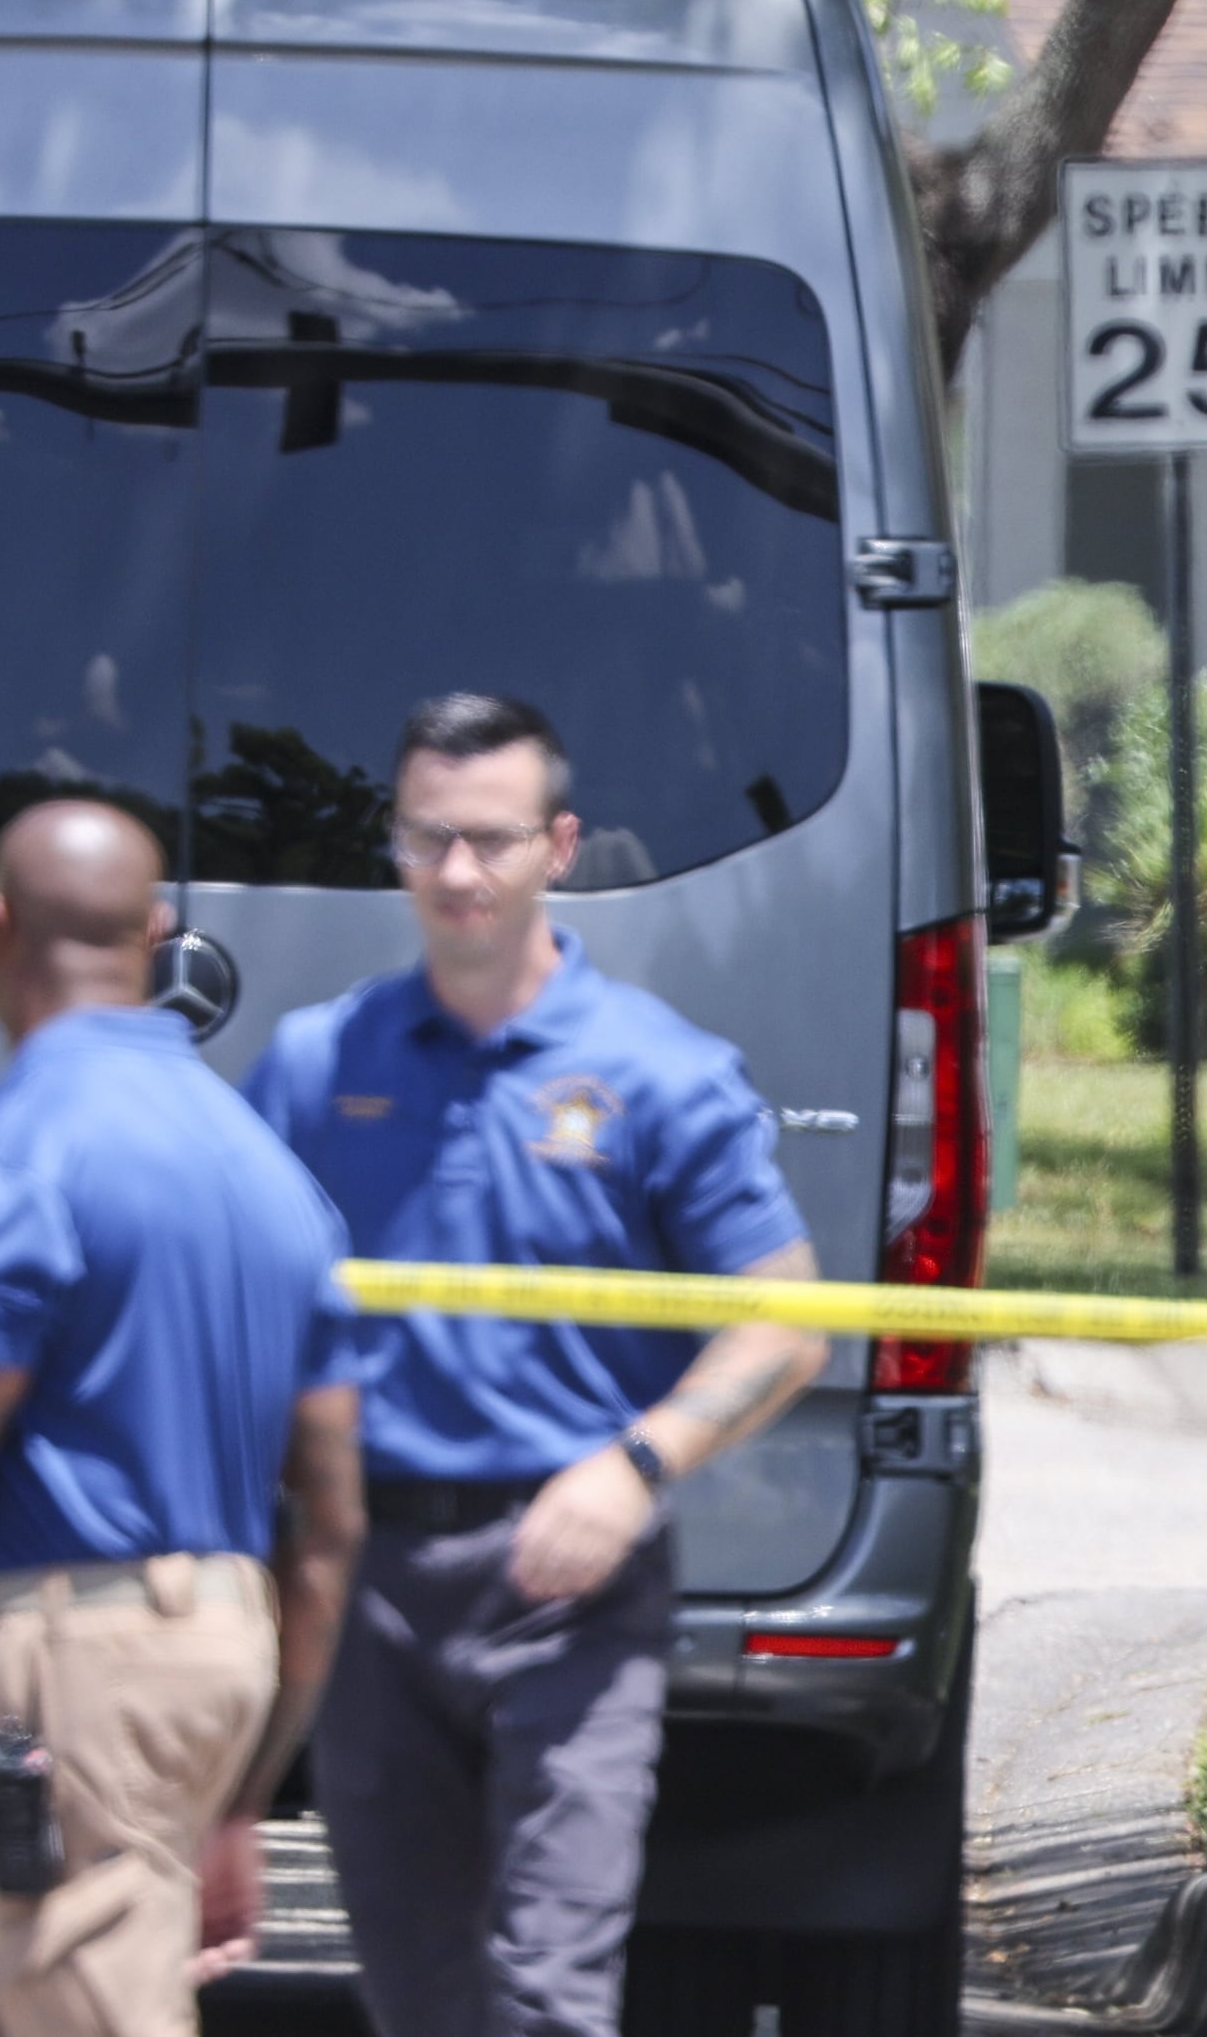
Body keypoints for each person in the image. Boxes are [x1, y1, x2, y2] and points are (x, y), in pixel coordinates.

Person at [243, 695, 834, 2037]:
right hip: (368, 1588)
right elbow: (227, 1298)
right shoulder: (316, 1067)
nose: (458, 874)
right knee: (418, 1998)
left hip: (571, 1589)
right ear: (394, 843)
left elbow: (789, 1324)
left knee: (548, 1990)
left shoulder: (660, 1075)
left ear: (560, 846)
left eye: (493, 841)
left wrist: (637, 1468)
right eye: (429, 839)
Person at [0, 800, 366, 2037]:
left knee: (78, 2004)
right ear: (156, 935)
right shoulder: (268, 1172)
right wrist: (244, 1791)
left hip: (73, 1658)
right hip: (221, 1645)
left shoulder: (10, 1155)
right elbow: (331, 1518)